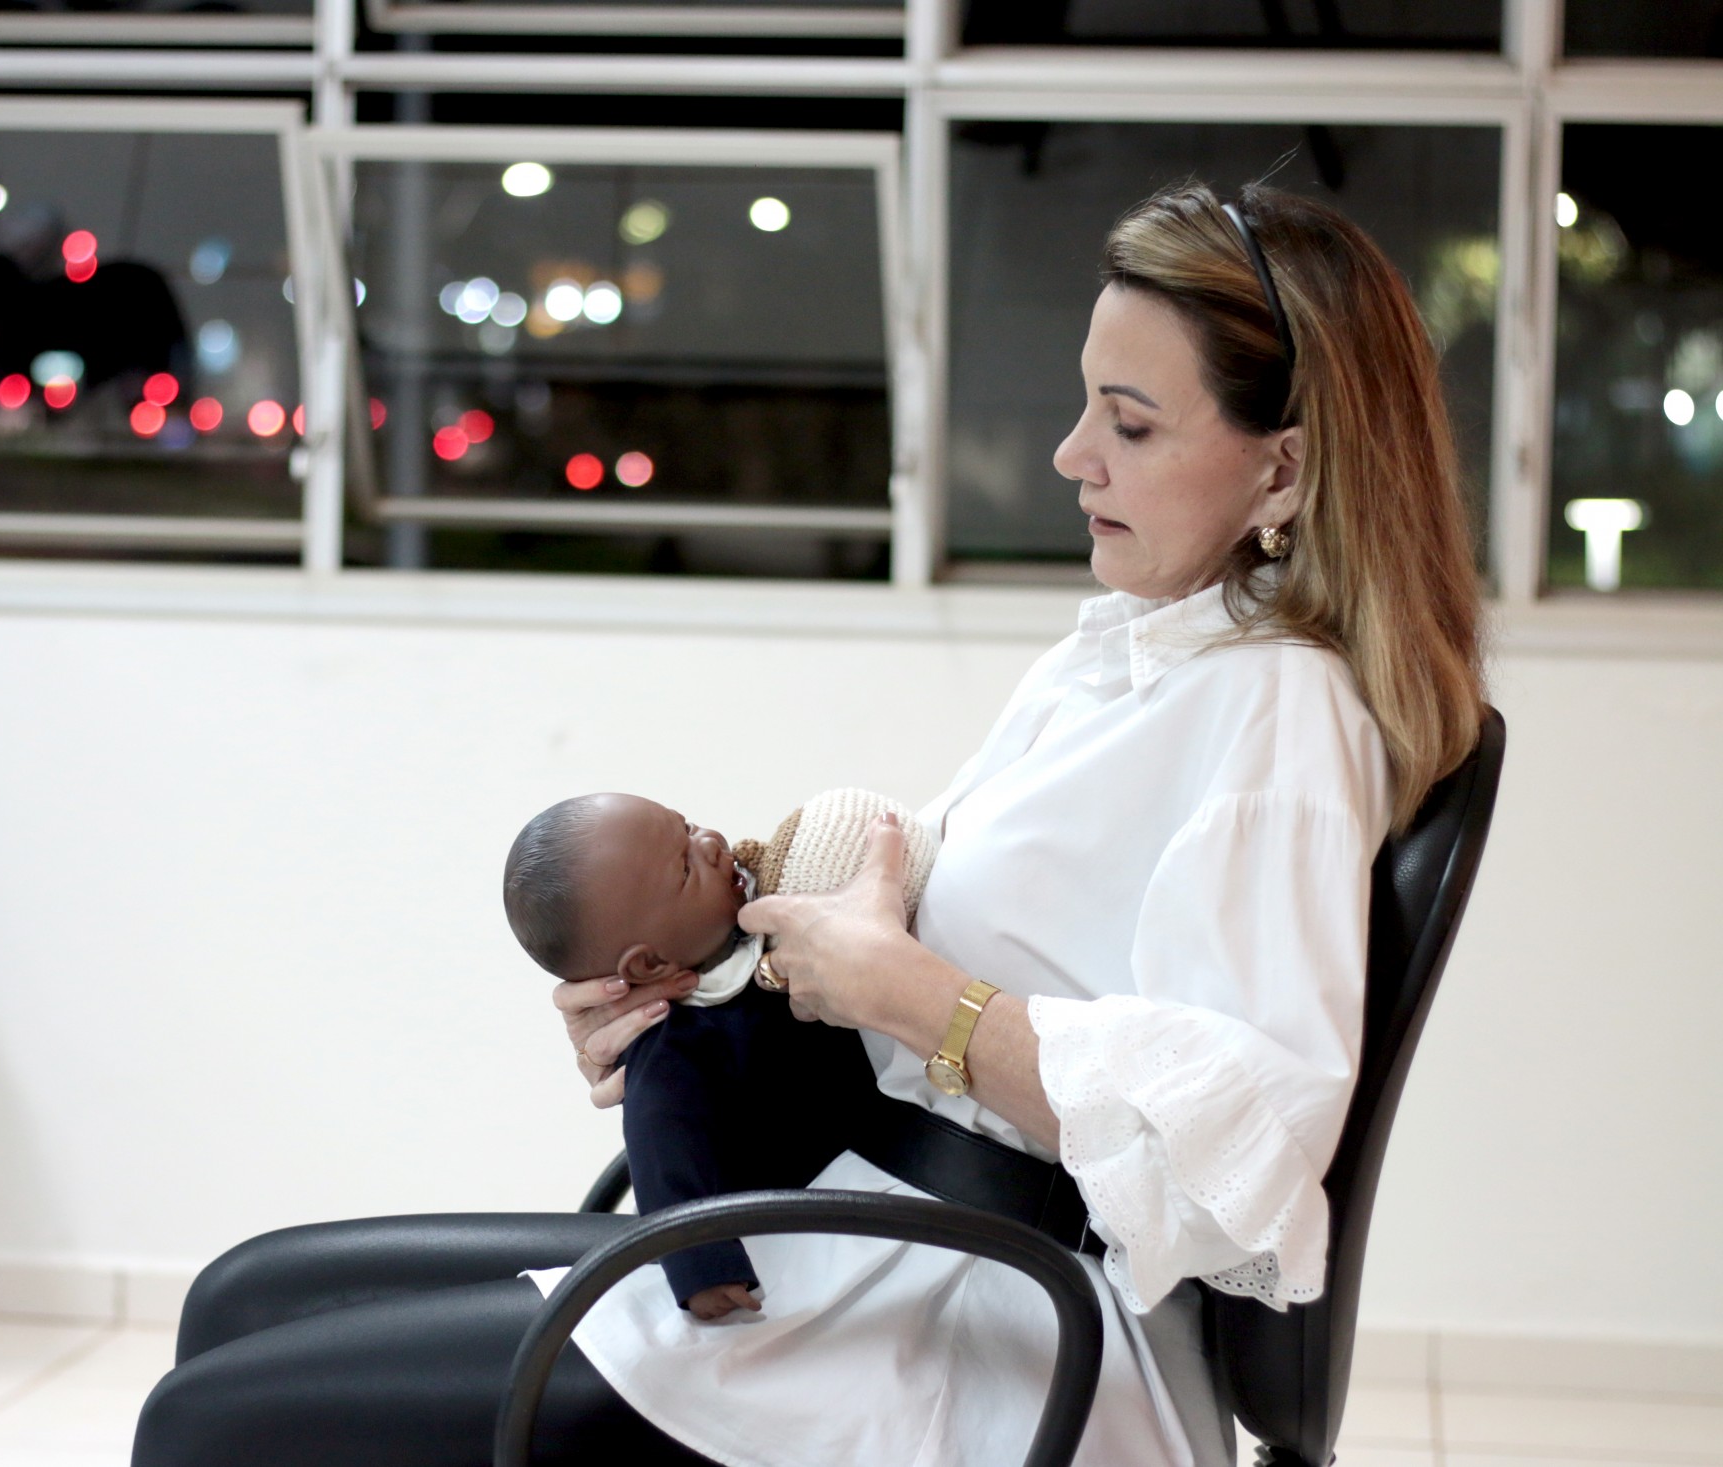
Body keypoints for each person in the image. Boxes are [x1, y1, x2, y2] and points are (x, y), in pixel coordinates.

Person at [132, 179, 1485, 1467]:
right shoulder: (1132, 665)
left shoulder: (1278, 715)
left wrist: (913, 995)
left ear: (1283, 471)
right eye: (1086, 403)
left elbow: (1245, 1147)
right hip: (868, 1232)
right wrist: (695, 1004)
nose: (1073, 453)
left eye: (1130, 425)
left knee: (212, 1421)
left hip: (967, 1322)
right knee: (239, 1303)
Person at [500, 791, 931, 1320]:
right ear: (650, 965)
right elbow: (662, 1153)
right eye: (685, 869)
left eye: (688, 826)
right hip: (806, 1218)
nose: (708, 842)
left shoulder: (777, 918)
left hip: (902, 1147)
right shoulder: (674, 1042)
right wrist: (700, 1266)